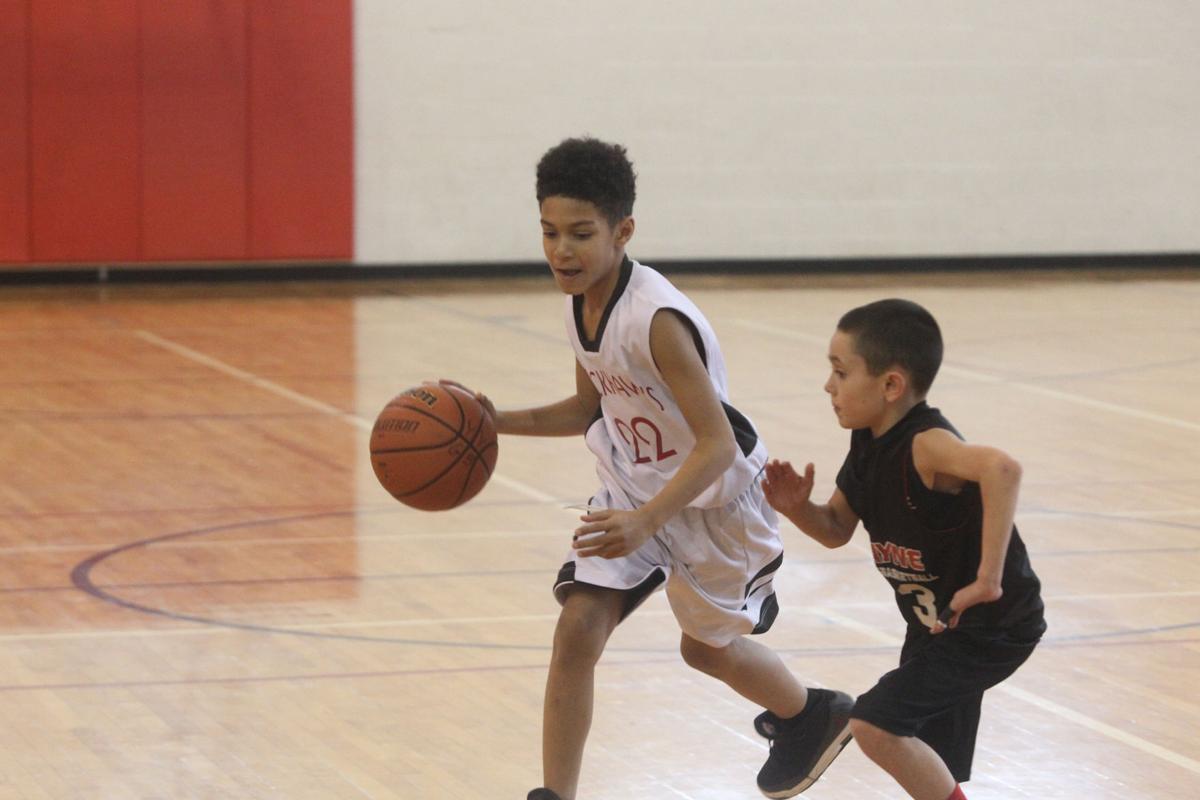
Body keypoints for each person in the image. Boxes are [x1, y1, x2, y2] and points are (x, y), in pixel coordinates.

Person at [463, 137, 853, 800]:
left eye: (581, 234)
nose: (562, 250)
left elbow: (717, 444)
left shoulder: (656, 319)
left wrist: (647, 521)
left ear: (623, 231)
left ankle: (812, 713)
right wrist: (493, 419)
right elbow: (588, 407)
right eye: (550, 232)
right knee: (577, 628)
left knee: (703, 651)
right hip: (634, 491)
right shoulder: (579, 305)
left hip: (713, 503)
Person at [761, 298, 1047, 800]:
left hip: (990, 626)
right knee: (927, 759)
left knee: (874, 722)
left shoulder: (925, 443)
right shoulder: (869, 443)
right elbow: (834, 528)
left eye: (840, 371)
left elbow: (1003, 469)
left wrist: (988, 578)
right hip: (936, 626)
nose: (829, 385)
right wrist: (796, 508)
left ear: (891, 385)